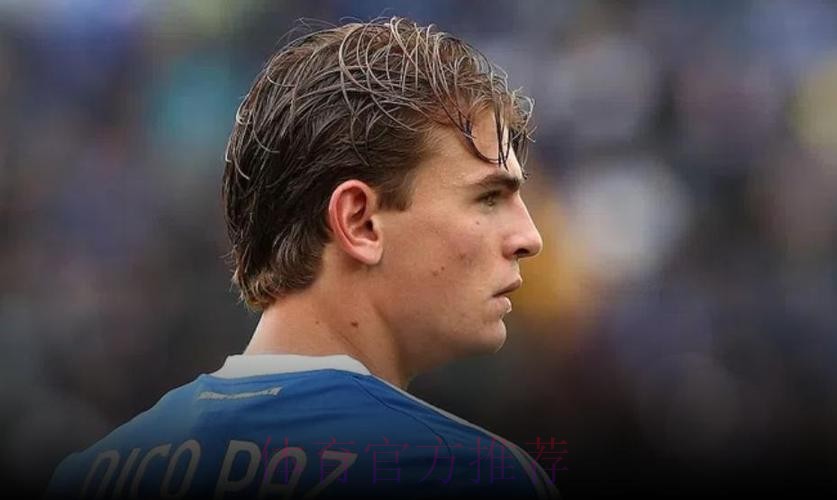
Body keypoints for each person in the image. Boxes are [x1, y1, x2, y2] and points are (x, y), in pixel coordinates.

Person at [45, 17, 557, 499]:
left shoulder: (91, 471)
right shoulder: (463, 472)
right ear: (359, 222)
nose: (528, 237)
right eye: (488, 197)